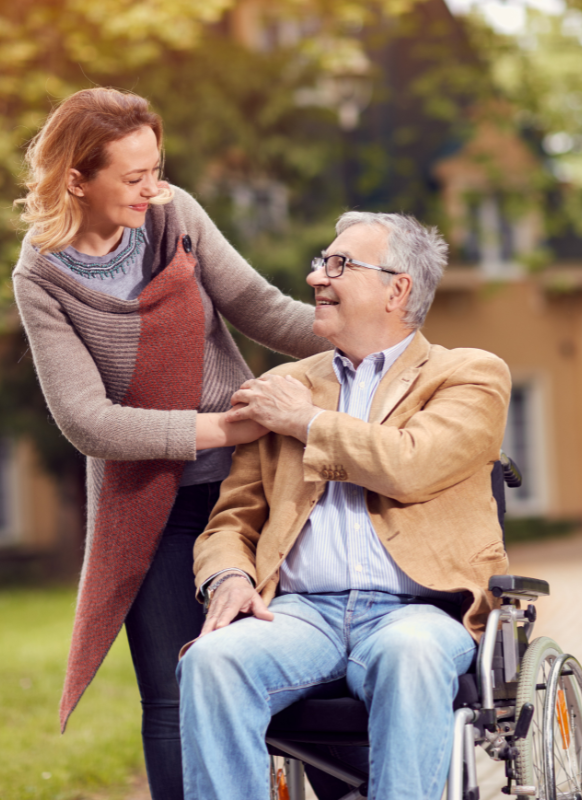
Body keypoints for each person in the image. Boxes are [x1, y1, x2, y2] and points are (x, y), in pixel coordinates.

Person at [12, 87, 331, 800]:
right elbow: (85, 420)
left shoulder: (172, 215)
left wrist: (372, 332)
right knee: (173, 692)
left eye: (157, 168)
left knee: (309, 666)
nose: (152, 188)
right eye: (133, 177)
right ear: (76, 180)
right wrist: (218, 428)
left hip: (253, 485)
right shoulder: (42, 276)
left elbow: (259, 308)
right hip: (151, 502)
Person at [178, 211, 512, 800]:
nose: (316, 279)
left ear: (397, 288)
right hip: (302, 613)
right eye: (318, 263)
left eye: (338, 265)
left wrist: (305, 422)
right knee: (211, 661)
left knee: (410, 655)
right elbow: (234, 519)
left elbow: (411, 464)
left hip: (418, 612)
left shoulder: (469, 375)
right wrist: (228, 576)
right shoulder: (290, 384)